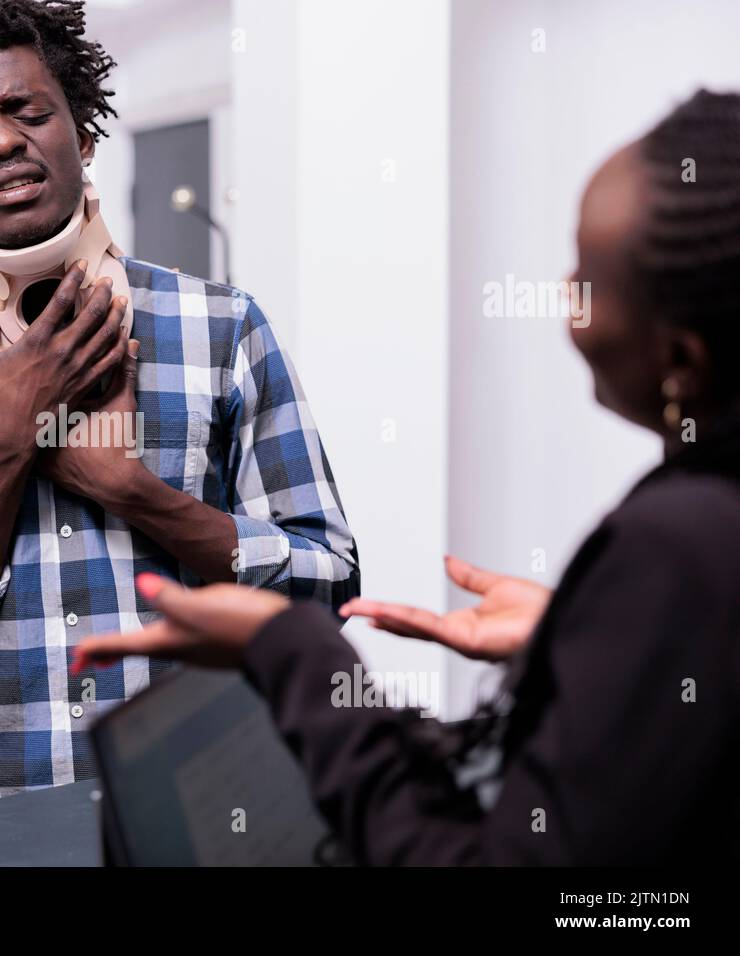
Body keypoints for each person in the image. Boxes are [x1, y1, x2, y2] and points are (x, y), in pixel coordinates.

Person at [72, 89, 740, 864]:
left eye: (586, 283)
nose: (563, 300)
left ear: (682, 361)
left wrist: (291, 649)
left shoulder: (685, 542)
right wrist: (592, 647)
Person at [0, 0, 359, 809]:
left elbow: (330, 590)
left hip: (213, 811)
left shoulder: (220, 326)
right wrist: (8, 448)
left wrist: (130, 491)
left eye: (28, 112)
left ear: (83, 135)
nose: (4, 140)